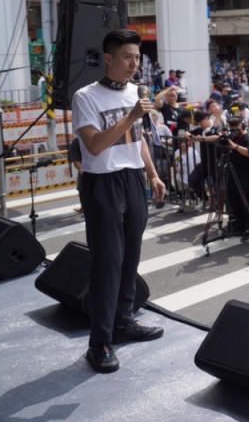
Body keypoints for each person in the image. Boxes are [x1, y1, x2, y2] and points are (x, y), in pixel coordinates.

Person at [72, 30, 166, 373]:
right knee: (107, 263)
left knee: (130, 259)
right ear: (108, 58)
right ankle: (99, 343)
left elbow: (136, 139)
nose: (134, 63)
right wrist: (130, 117)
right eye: (128, 57)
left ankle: (124, 321)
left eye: (138, 57)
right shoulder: (85, 97)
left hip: (132, 179)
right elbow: (94, 145)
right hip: (102, 183)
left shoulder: (134, 94)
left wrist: (153, 174)